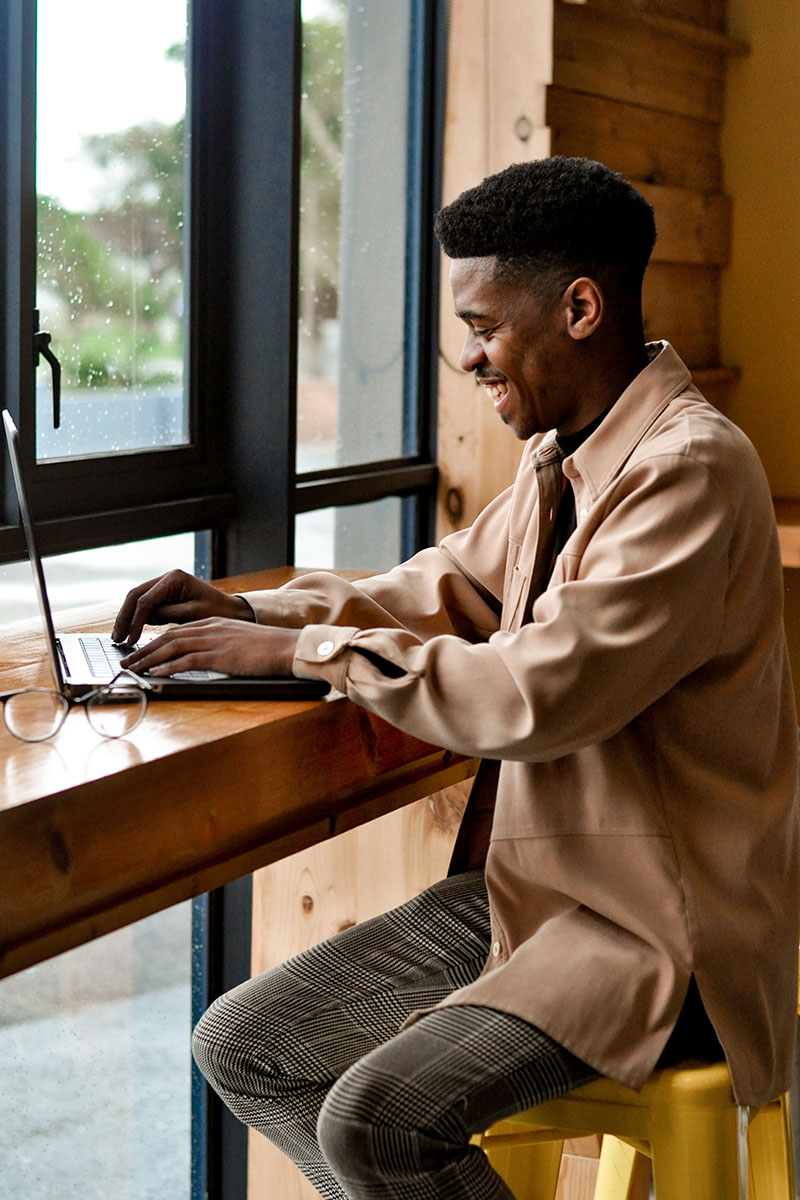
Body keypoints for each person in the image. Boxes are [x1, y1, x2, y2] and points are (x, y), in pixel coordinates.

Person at [114, 157, 799, 1200]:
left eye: (481, 328)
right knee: (244, 1047)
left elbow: (535, 695)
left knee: (375, 1124)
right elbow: (441, 589)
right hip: (539, 897)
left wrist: (302, 655)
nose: (469, 360)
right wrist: (252, 613)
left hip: (665, 935)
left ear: (578, 307)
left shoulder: (685, 472)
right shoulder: (566, 460)